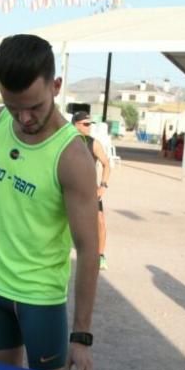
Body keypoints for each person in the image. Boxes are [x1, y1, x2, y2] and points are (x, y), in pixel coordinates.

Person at [0, 34, 99, 370]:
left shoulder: (72, 157)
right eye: (14, 107)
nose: (24, 118)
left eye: (35, 107)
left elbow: (89, 249)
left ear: (56, 86)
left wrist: (81, 336)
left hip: (40, 300)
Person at [71, 111, 111, 270]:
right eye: (86, 124)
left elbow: (107, 164)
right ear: (75, 124)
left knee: (100, 221)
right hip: (68, 189)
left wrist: (103, 186)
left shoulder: (93, 143)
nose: (89, 128)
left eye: (90, 124)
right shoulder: (64, 142)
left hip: (89, 190)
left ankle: (100, 256)